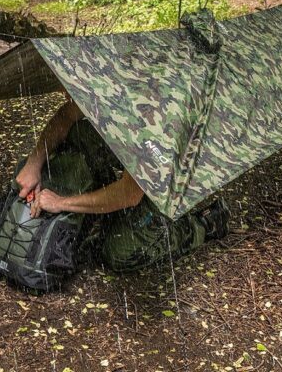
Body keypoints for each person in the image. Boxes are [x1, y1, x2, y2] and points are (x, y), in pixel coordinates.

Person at [14, 92, 230, 272]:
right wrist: (34, 164)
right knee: (81, 133)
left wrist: (61, 203)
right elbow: (67, 115)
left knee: (118, 252)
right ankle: (102, 199)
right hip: (139, 156)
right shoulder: (117, 88)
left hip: (172, 181)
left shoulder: (157, 128)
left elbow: (129, 194)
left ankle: (200, 225)